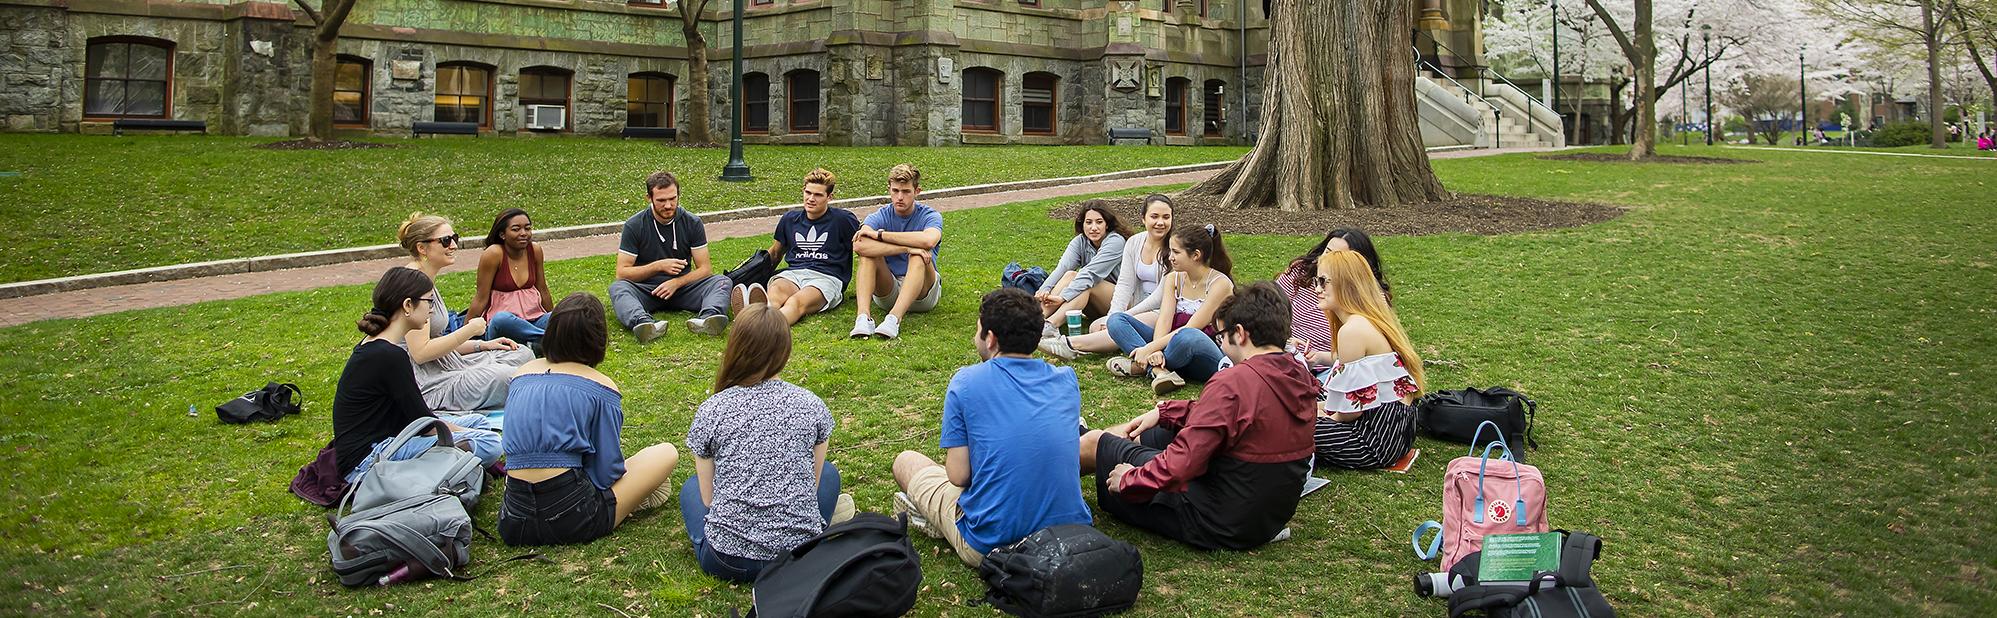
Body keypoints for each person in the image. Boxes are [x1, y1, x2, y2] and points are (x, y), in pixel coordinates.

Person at [1078, 282, 1317, 551]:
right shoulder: (1298, 375)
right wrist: (1164, 412)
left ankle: (1039, 476)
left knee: (1097, 443)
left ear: (1239, 334)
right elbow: (1235, 418)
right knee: (1149, 431)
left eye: (1221, 336)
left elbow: (1184, 462)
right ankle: (1081, 443)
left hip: (1214, 519)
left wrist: (1131, 480)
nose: (1221, 343)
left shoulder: (1234, 381)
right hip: (1263, 518)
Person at [890, 288, 1093, 567]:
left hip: (993, 542)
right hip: (1070, 533)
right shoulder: (1066, 379)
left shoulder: (965, 382)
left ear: (991, 338)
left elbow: (959, 476)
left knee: (907, 462)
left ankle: (934, 516)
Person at [681, 304, 852, 581]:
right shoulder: (812, 405)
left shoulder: (712, 409)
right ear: (785, 351)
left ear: (735, 346)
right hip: (799, 557)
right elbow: (813, 482)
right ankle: (816, 526)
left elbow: (708, 499)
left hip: (727, 560)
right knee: (829, 474)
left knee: (691, 487)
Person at [498, 293, 680, 546]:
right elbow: (607, 473)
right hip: (575, 517)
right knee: (666, 452)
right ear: (598, 338)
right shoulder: (600, 386)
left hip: (514, 520)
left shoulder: (521, 375)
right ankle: (631, 500)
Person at [334, 267, 503, 484]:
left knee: (480, 422)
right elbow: (425, 423)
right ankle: (450, 464)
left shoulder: (376, 346)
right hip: (369, 460)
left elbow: (415, 417)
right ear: (407, 306)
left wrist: (465, 429)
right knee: (490, 442)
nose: (431, 310)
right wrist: (465, 432)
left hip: (388, 437)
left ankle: (454, 461)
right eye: (428, 302)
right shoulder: (390, 355)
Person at [396, 212, 535, 412]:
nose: (453, 245)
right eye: (445, 241)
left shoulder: (425, 280)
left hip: (446, 363)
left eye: (454, 238)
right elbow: (420, 353)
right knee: (512, 378)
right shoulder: (413, 286)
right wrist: (469, 330)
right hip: (429, 383)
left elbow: (437, 344)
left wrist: (482, 345)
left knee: (521, 354)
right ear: (421, 248)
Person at [1311, 250, 1427, 470]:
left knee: (1288, 425)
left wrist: (1323, 417)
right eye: (1317, 281)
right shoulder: (1367, 321)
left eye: (1324, 281)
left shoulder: (1352, 330)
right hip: (1396, 432)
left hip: (1373, 441)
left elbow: (1350, 412)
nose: (1317, 289)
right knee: (1306, 399)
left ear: (1347, 284)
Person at [1103, 224, 1234, 395]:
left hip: (1204, 351)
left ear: (1196, 255)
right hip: (1171, 345)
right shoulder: (1173, 278)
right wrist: (1155, 350)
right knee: (1116, 320)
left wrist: (1148, 349)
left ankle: (1142, 367)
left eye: (1176, 252)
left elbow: (1193, 327)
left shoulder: (1220, 283)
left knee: (1187, 336)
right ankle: (1159, 371)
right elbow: (1164, 319)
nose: (1170, 257)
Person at [1040, 195, 1174, 360]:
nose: (1160, 222)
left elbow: (1161, 297)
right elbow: (1125, 285)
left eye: (1166, 217)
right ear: (1143, 218)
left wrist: (1124, 316)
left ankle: (1067, 344)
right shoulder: (1134, 242)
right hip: (1132, 304)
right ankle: (1036, 320)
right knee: (1095, 327)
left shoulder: (1175, 247)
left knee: (1091, 287)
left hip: (1161, 310)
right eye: (1154, 216)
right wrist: (1044, 289)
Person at [610, 171, 733, 342]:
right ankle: (644, 323)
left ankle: (709, 318)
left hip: (683, 289)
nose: (668, 205)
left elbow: (705, 269)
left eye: (673, 199)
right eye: (661, 200)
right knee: (618, 288)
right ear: (649, 198)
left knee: (722, 281)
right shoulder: (634, 225)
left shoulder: (692, 222)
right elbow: (622, 273)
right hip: (647, 290)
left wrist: (676, 282)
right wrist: (658, 266)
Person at [734, 168, 863, 326]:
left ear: (830, 197)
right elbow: (775, 253)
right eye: (808, 192)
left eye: (818, 195)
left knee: (795, 302)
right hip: (793, 274)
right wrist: (755, 273)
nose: (810, 199)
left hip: (826, 277)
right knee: (775, 295)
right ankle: (758, 316)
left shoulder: (843, 220)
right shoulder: (790, 219)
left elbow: (863, 248)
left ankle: (760, 325)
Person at [849, 163, 944, 340]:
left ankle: (894, 319)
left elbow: (928, 240)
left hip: (923, 294)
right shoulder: (880, 215)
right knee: (869, 255)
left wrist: (880, 235)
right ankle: (863, 317)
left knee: (918, 254)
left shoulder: (931, 216)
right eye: (895, 190)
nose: (900, 197)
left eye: (906, 191)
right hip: (888, 289)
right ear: (889, 190)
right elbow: (859, 245)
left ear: (917, 191)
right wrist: (906, 247)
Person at [1274, 228, 1390, 368]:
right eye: (1327, 252)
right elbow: (1268, 309)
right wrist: (1286, 345)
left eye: (1337, 257)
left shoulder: (1353, 327)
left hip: (1329, 370)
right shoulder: (1300, 272)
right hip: (1292, 358)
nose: (1318, 289)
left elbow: (1347, 376)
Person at [1034, 202, 1128, 334]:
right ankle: (1034, 320)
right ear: (1082, 224)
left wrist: (1063, 297)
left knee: (1086, 283)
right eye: (1089, 222)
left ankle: (1050, 326)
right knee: (1070, 275)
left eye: (1099, 222)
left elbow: (1091, 274)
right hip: (1095, 305)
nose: (1093, 227)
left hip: (1122, 304)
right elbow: (1063, 268)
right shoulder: (1080, 241)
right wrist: (1044, 289)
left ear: (1107, 224)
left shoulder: (1116, 241)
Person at [467, 208, 554, 344]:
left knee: (559, 316)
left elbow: (542, 289)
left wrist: (555, 320)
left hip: (534, 319)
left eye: (527, 228)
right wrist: (465, 336)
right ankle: (551, 339)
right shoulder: (494, 254)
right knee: (502, 319)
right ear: (503, 234)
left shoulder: (535, 250)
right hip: (504, 325)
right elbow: (480, 298)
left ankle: (540, 339)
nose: (523, 233)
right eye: (516, 229)